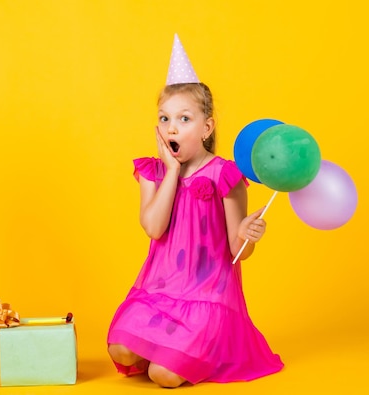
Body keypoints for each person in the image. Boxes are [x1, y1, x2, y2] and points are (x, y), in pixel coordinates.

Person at [107, 34, 283, 388]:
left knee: (163, 376)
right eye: (165, 118)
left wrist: (248, 235)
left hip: (207, 295)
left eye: (184, 119)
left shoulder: (224, 175)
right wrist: (172, 170)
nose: (172, 127)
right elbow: (154, 228)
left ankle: (195, 350)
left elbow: (239, 252)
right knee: (122, 351)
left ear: (206, 127)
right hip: (158, 291)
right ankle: (169, 346)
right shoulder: (152, 173)